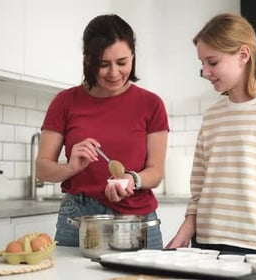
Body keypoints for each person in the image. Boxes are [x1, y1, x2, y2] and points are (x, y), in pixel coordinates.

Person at [165, 13, 256, 260]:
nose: (205, 71)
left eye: (212, 62)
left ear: (243, 55)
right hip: (207, 244)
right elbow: (199, 185)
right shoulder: (212, 115)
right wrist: (187, 228)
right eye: (201, 63)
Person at [36, 14, 169, 249]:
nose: (114, 73)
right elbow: (42, 168)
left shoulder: (151, 104)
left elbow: (156, 172)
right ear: (87, 60)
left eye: (122, 62)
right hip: (79, 219)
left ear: (133, 57)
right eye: (103, 64)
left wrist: (133, 179)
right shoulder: (65, 102)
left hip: (137, 221)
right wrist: (71, 168)